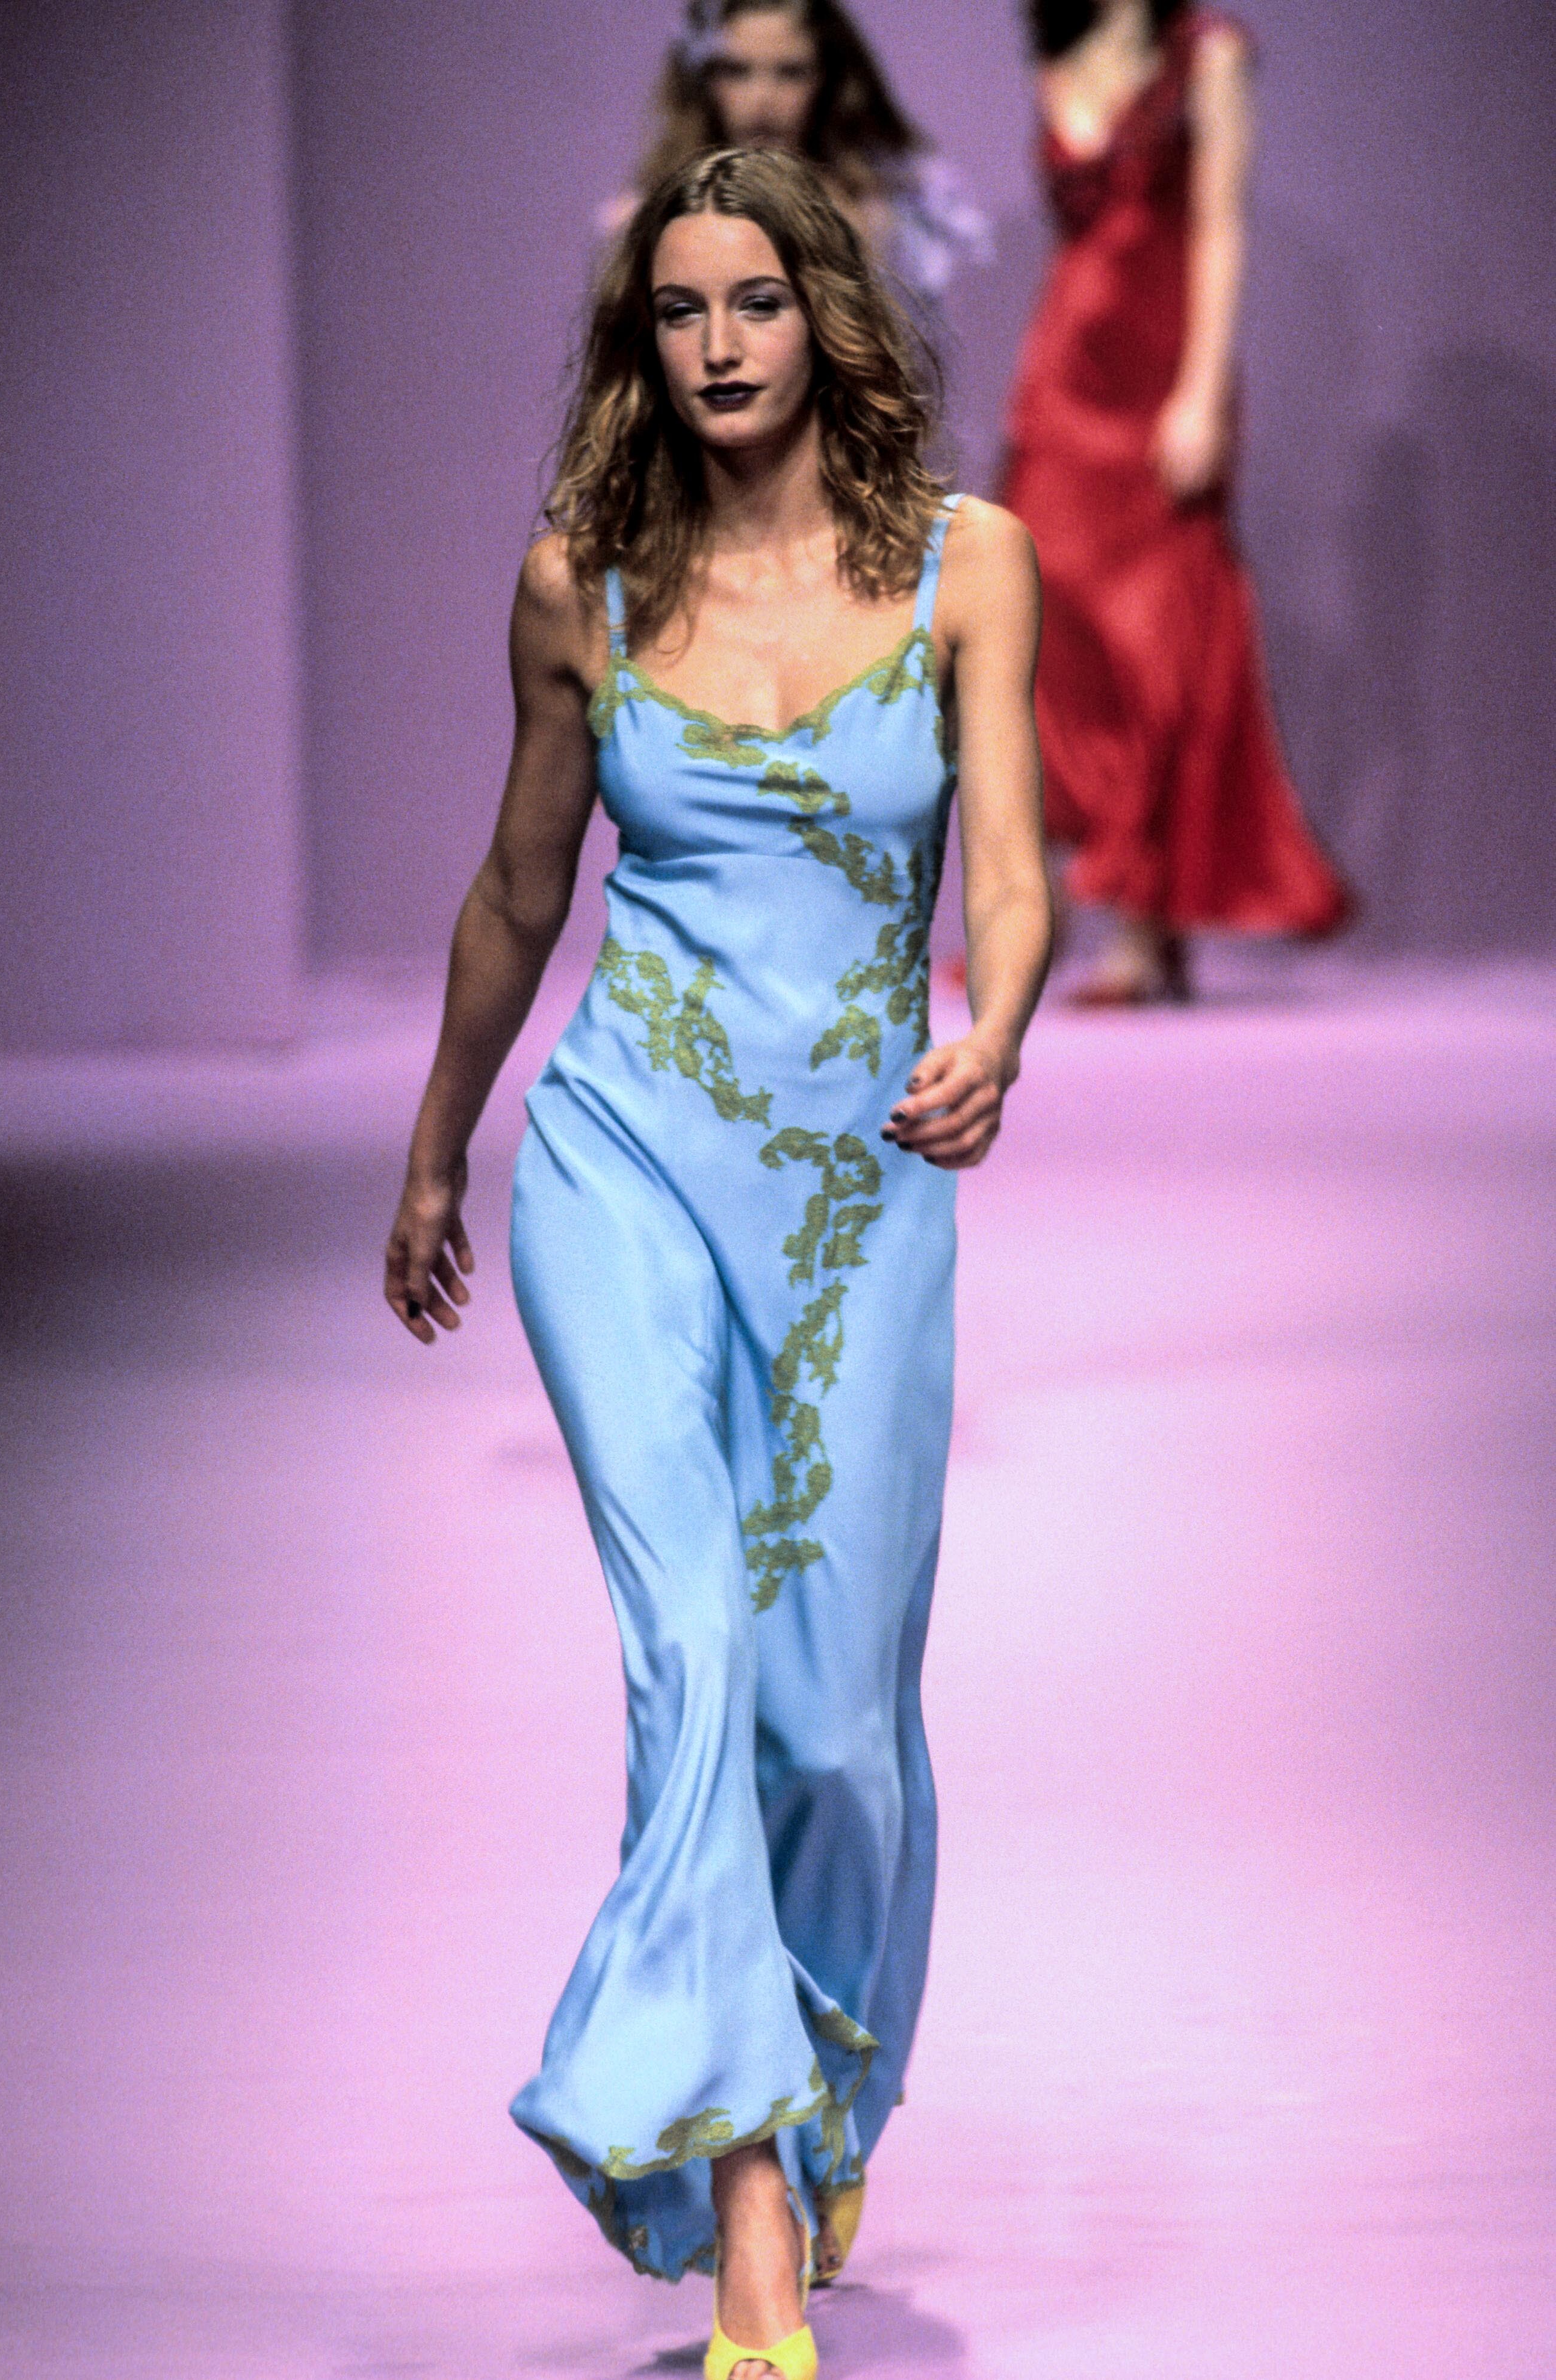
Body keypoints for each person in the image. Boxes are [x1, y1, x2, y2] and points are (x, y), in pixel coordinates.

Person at [385, 147, 1049, 2380]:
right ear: (638, 345)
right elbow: (516, 888)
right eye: (676, 310)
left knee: (834, 1728)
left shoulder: (967, 565)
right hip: (620, 1165)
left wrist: (996, 1022)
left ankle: (826, 2073)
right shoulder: (576, 585)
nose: (718, 342)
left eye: (753, 298)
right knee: (688, 1652)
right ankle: (747, 2206)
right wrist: (438, 1147)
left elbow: (1012, 863)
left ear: (823, 315)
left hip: (861, 1193)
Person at [999, 0, 1349, 1004]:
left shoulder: (1209, 52)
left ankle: (1144, 925)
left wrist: (1201, 390)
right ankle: (1044, 902)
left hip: (1158, 377)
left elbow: (1219, 226)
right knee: (1041, 632)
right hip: (1064, 375)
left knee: (1155, 634)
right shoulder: (1060, 54)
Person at [604, 0, 991, 325]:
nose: (762, 99)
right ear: (701, 81)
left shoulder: (887, 212)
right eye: (735, 71)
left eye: (791, 72)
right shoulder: (648, 222)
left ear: (830, 79)